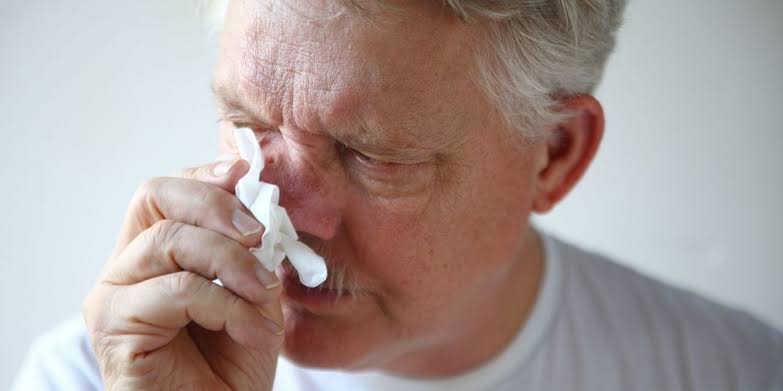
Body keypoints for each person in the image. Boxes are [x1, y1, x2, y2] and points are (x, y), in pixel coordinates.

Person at [12, 1, 783, 390]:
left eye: (370, 154)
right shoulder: (96, 375)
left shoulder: (729, 372)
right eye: (246, 127)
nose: (275, 213)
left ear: (553, 154)